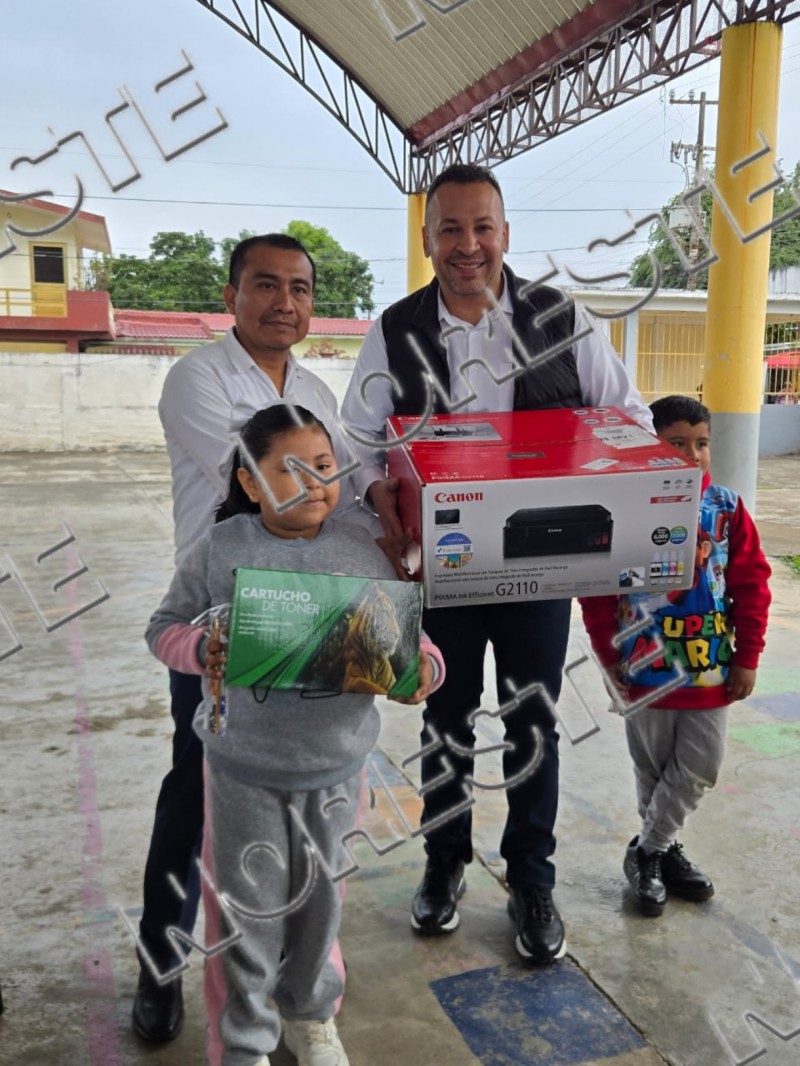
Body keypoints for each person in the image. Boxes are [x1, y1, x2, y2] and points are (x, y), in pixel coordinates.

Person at [340, 162, 654, 963]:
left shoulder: (562, 320)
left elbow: (629, 416)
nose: (468, 245)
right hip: (438, 568)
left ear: (506, 233)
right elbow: (357, 437)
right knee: (444, 719)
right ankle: (444, 862)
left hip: (540, 568)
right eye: (450, 228)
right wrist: (378, 496)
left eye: (482, 227)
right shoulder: (395, 329)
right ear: (428, 240)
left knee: (531, 721)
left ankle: (532, 878)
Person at [145, 405, 444, 1066]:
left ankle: (311, 1017)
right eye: (291, 469)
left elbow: (410, 640)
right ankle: (243, 1042)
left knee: (319, 906)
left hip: (336, 769)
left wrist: (425, 669)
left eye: (325, 466)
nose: (314, 483)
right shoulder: (221, 547)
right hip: (242, 769)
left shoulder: (363, 546)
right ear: (250, 482)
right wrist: (199, 649)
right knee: (244, 911)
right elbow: (163, 628)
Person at [134, 235, 376, 1043]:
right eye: (266, 285)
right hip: (223, 620)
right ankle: (161, 964)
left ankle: (303, 989)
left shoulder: (314, 387)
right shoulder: (198, 378)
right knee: (196, 798)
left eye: (300, 288)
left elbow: (339, 492)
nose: (285, 302)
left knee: (314, 814)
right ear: (232, 295)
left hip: (314, 616)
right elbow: (274, 482)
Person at [580, 396, 771, 915]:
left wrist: (748, 656)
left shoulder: (727, 510)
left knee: (700, 766)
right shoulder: (620, 510)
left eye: (701, 443)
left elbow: (752, 585)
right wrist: (608, 657)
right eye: (677, 442)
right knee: (652, 768)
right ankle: (663, 854)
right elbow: (596, 592)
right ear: (649, 446)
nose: (693, 454)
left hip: (709, 668)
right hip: (643, 667)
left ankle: (648, 850)